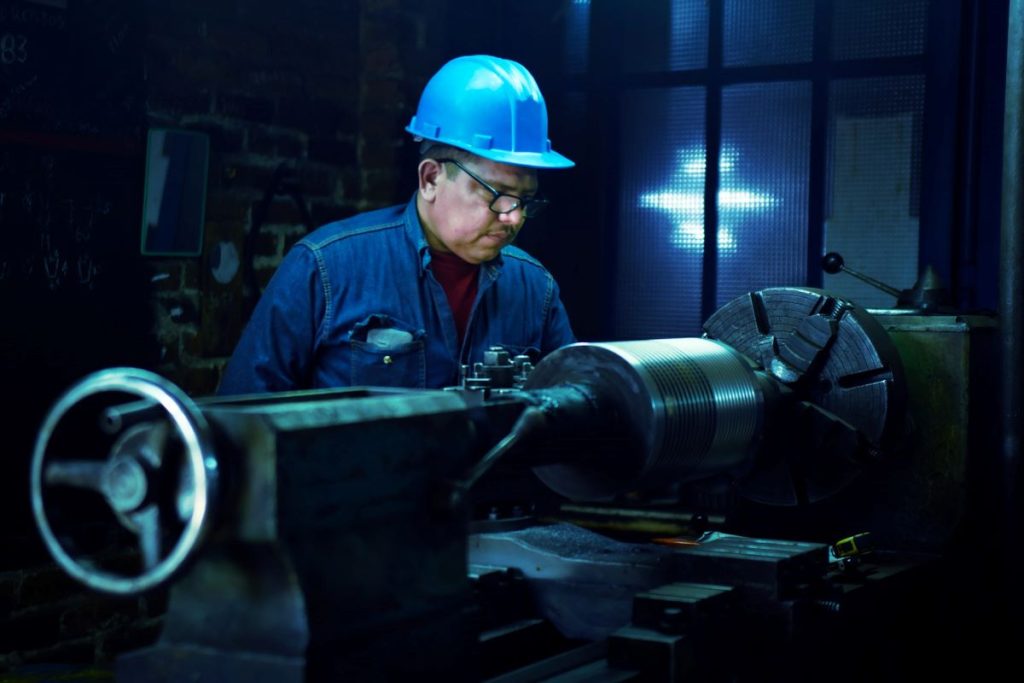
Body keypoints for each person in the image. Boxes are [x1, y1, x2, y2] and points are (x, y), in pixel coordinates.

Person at [218, 55, 576, 394]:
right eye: (497, 194)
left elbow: (571, 419)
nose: (514, 216)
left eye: (525, 199)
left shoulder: (535, 290)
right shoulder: (326, 269)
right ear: (431, 179)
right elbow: (241, 418)